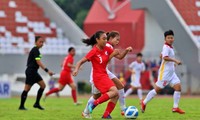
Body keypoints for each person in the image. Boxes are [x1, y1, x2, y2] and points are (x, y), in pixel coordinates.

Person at [82, 31, 133, 118]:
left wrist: (126, 51)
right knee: (98, 95)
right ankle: (87, 111)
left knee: (118, 87)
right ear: (110, 38)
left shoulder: (109, 46)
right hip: (98, 73)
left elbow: (120, 57)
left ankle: (115, 111)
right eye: (117, 39)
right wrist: (113, 54)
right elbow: (105, 61)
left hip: (105, 72)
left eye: (119, 40)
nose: (118, 42)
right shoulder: (107, 46)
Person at [73, 30, 120, 119]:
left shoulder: (107, 48)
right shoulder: (94, 51)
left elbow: (113, 59)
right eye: (103, 39)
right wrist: (76, 69)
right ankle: (93, 104)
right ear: (97, 40)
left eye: (106, 39)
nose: (106, 41)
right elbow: (81, 61)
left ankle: (105, 115)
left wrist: (125, 51)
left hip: (104, 75)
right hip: (97, 77)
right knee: (114, 92)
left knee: (113, 95)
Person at [141, 30, 185, 114]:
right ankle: (144, 102)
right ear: (165, 39)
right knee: (157, 90)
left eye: (171, 37)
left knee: (178, 87)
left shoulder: (169, 47)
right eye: (168, 38)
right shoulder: (166, 47)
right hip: (164, 74)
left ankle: (175, 107)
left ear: (173, 38)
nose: (170, 39)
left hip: (171, 74)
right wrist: (175, 61)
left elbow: (162, 56)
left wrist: (172, 64)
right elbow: (165, 57)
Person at [18, 36, 54, 110]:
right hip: (31, 72)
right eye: (40, 42)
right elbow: (38, 62)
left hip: (33, 71)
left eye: (42, 42)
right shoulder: (35, 50)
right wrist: (47, 71)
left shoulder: (36, 50)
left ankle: (36, 103)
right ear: (35, 42)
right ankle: (22, 106)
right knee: (27, 89)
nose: (42, 44)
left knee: (43, 86)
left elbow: (37, 62)